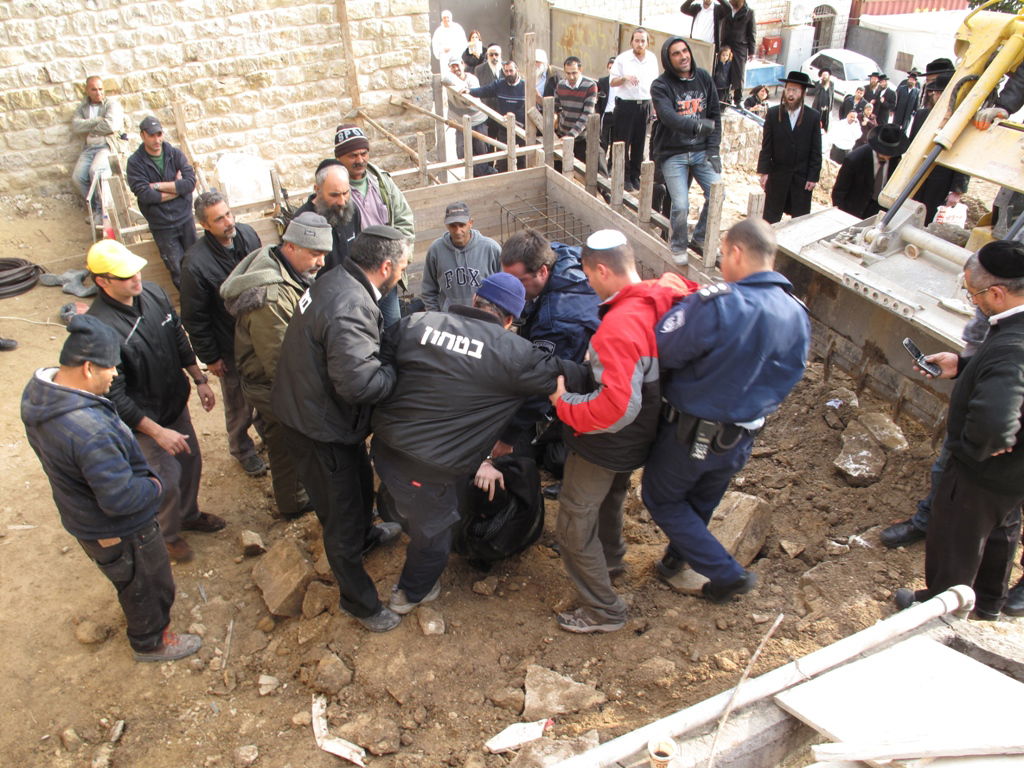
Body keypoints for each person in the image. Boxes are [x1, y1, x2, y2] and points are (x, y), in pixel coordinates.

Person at [371, 273, 587, 617]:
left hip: (384, 451)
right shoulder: (515, 353)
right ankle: (410, 593)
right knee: (434, 535)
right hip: (430, 470)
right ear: (511, 320)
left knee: (411, 500)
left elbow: (379, 361)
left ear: (474, 300)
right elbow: (571, 375)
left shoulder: (415, 323)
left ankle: (403, 513)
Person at [643, 218, 810, 603]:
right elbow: (794, 371)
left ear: (736, 251)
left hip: (690, 432)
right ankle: (674, 562)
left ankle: (727, 574)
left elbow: (663, 350)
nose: (720, 261)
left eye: (721, 252)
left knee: (662, 498)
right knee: (701, 501)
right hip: (741, 437)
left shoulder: (719, 303)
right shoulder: (796, 313)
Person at [21, 314, 201, 662]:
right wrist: (155, 485)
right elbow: (121, 499)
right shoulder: (88, 431)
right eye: (110, 368)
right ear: (88, 368)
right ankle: (151, 642)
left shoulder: (43, 391)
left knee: (130, 578)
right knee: (148, 582)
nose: (115, 375)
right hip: (119, 528)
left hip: (83, 515)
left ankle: (144, 621)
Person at [548, 230, 697, 633]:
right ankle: (611, 563)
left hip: (607, 444)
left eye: (588, 276)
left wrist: (565, 406)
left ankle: (603, 609)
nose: (589, 285)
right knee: (611, 499)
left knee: (574, 523)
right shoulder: (662, 296)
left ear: (601, 269)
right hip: (644, 437)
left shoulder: (619, 326)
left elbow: (616, 407)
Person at [271, 226, 409, 632]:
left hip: (314, 408)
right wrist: (397, 370)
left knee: (357, 482)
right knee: (341, 512)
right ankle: (358, 601)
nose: (403, 271)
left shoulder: (337, 277)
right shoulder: (351, 305)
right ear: (385, 266)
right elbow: (360, 384)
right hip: (318, 426)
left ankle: (365, 535)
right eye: (402, 265)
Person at [894, 241, 1024, 621]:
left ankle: (938, 613)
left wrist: (976, 448)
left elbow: (996, 419)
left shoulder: (1012, 346)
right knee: (1000, 535)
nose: (973, 302)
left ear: (997, 292)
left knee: (956, 542)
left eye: (973, 294)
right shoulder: (1013, 330)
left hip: (978, 474)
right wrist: (964, 365)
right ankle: (986, 604)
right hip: (1011, 477)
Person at [86, 239, 221, 564]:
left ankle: (188, 514)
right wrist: (157, 432)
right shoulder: (99, 329)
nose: (136, 279)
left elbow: (176, 336)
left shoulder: (154, 294)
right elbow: (114, 396)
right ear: (102, 281)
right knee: (164, 481)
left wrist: (198, 378)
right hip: (143, 422)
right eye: (125, 276)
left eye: (136, 271)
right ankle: (167, 535)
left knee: (190, 463)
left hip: (173, 404)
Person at [220, 213, 330, 520]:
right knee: (290, 442)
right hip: (272, 386)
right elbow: (282, 363)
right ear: (291, 246)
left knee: (284, 441)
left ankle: (294, 495)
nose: (320, 262)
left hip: (274, 380)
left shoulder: (283, 267)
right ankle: (295, 502)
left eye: (324, 254)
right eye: (315, 254)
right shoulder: (270, 297)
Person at [179, 191, 266, 479]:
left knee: (265, 389)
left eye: (228, 214)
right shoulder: (195, 264)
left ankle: (268, 435)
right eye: (219, 219)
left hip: (258, 335)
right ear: (205, 225)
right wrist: (211, 357)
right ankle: (242, 449)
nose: (229, 222)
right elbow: (195, 317)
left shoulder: (248, 236)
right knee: (238, 401)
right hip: (229, 344)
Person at [497, 230, 601, 463]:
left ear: (543, 271)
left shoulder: (556, 320)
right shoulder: (560, 255)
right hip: (582, 344)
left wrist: (508, 437)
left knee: (555, 459)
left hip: (591, 379)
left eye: (519, 282)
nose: (514, 289)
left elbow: (544, 379)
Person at [331, 124, 416, 326]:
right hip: (354, 279)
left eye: (364, 153)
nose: (360, 160)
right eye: (352, 155)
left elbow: (404, 219)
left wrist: (400, 257)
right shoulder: (334, 190)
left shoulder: (382, 183)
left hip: (386, 273)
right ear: (339, 158)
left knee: (393, 326)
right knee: (361, 327)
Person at [651, 35, 722, 263]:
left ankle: (699, 237)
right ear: (668, 59)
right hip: (674, 153)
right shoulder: (661, 85)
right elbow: (669, 117)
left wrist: (713, 150)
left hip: (702, 151)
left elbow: (715, 116)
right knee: (680, 204)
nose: (683, 56)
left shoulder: (703, 77)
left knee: (718, 194)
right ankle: (678, 244)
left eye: (685, 51)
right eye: (676, 54)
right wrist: (697, 126)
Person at [125, 116, 197, 289]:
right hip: (162, 225)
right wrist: (176, 189)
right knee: (177, 270)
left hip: (185, 218)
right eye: (152, 135)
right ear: (142, 135)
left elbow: (189, 183)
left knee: (197, 263)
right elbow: (145, 195)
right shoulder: (135, 163)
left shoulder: (174, 153)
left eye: (159, 134)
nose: (157, 140)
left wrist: (158, 186)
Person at [757, 71, 822, 224]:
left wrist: (813, 176)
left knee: (800, 221)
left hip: (802, 178)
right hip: (778, 175)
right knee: (770, 219)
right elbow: (766, 146)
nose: (791, 94)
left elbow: (816, 150)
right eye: (788, 89)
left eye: (795, 90)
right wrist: (764, 172)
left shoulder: (813, 117)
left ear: (803, 93)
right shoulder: (773, 114)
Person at [421, 201, 501, 311]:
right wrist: (436, 316)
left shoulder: (491, 248)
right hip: (450, 318)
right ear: (446, 225)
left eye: (462, 225)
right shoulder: (436, 250)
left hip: (483, 317)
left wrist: (497, 316)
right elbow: (428, 290)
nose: (458, 231)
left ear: (470, 223)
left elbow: (504, 287)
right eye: (453, 226)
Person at [610, 28, 659, 192]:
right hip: (626, 105)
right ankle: (624, 177)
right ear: (631, 42)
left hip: (645, 104)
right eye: (637, 40)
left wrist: (655, 106)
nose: (640, 44)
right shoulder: (623, 59)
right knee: (624, 142)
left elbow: (656, 83)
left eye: (643, 41)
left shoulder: (652, 58)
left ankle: (635, 176)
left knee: (640, 142)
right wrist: (625, 78)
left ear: (647, 42)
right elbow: (612, 82)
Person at [71, 76, 124, 226]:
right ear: (87, 90)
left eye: (100, 89)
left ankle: (102, 211)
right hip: (89, 148)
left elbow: (111, 126)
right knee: (78, 177)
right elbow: (76, 126)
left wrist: (88, 126)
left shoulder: (111, 104)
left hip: (106, 145)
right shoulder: (83, 108)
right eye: (94, 89)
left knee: (96, 172)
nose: (98, 92)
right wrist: (98, 120)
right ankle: (95, 210)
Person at [293, 161, 362, 275]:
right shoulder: (301, 222)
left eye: (345, 193)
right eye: (334, 195)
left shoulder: (352, 210)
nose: (342, 202)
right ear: (317, 189)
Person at [832, 124, 908, 220]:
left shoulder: (895, 159)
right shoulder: (854, 159)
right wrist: (841, 216)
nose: (888, 156)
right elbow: (839, 191)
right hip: (854, 209)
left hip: (880, 210)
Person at [469, 60, 527, 171]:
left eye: (511, 70)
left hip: (521, 130)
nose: (509, 73)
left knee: (522, 161)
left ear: (517, 70)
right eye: (506, 71)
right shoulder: (499, 84)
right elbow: (484, 91)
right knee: (502, 160)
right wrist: (469, 91)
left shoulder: (525, 86)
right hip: (504, 128)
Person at [554, 56, 606, 173]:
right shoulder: (560, 85)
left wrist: (572, 135)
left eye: (574, 73)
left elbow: (586, 115)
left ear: (581, 70)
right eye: (567, 73)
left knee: (590, 171)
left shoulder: (590, 86)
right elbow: (556, 108)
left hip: (582, 138)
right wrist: (554, 119)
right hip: (563, 136)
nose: (571, 77)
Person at [443, 57, 494, 177]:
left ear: (463, 64)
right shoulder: (449, 80)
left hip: (477, 120)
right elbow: (444, 77)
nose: (456, 69)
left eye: (457, 65)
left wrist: (462, 89)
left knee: (481, 151)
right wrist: (458, 85)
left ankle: (483, 175)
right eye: (452, 66)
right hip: (461, 123)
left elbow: (469, 101)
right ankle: (483, 174)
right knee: (462, 153)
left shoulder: (472, 79)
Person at [714, 0, 756, 106]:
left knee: (738, 73)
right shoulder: (726, 9)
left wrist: (752, 51)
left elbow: (752, 32)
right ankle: (723, 97)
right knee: (723, 70)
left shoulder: (749, 12)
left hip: (740, 46)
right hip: (726, 44)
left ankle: (738, 99)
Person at [474, 44, 505, 144]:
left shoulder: (507, 68)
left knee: (503, 144)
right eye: (491, 55)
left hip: (503, 114)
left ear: (500, 55)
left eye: (496, 54)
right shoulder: (479, 70)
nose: (494, 57)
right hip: (487, 113)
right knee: (488, 144)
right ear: (487, 56)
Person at [596, 57, 617, 151]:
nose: (612, 70)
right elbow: (599, 100)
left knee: (616, 141)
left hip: (618, 114)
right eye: (610, 67)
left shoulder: (622, 82)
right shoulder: (602, 81)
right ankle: (602, 162)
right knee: (603, 140)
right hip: (606, 114)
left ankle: (611, 163)